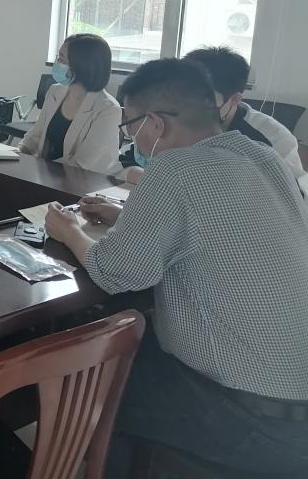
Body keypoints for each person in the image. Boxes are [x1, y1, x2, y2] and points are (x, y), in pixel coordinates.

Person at [45, 58, 308, 477]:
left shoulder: (175, 168)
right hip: (295, 404)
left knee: (101, 374)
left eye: (130, 127)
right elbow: (217, 228)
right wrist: (126, 217)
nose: (130, 139)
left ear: (155, 123)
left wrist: (70, 230)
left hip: (247, 416)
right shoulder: (263, 157)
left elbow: (115, 272)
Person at [184, 46, 306, 190]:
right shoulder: (172, 120)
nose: (189, 108)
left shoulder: (273, 137)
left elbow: (297, 194)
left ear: (235, 99)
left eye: (203, 101)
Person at [18, 34, 121, 172]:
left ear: (81, 65)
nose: (56, 63)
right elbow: (36, 136)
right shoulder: (55, 91)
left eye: (61, 59)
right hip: (47, 175)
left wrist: (43, 169)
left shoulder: (108, 110)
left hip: (84, 181)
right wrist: (18, 152)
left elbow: (82, 163)